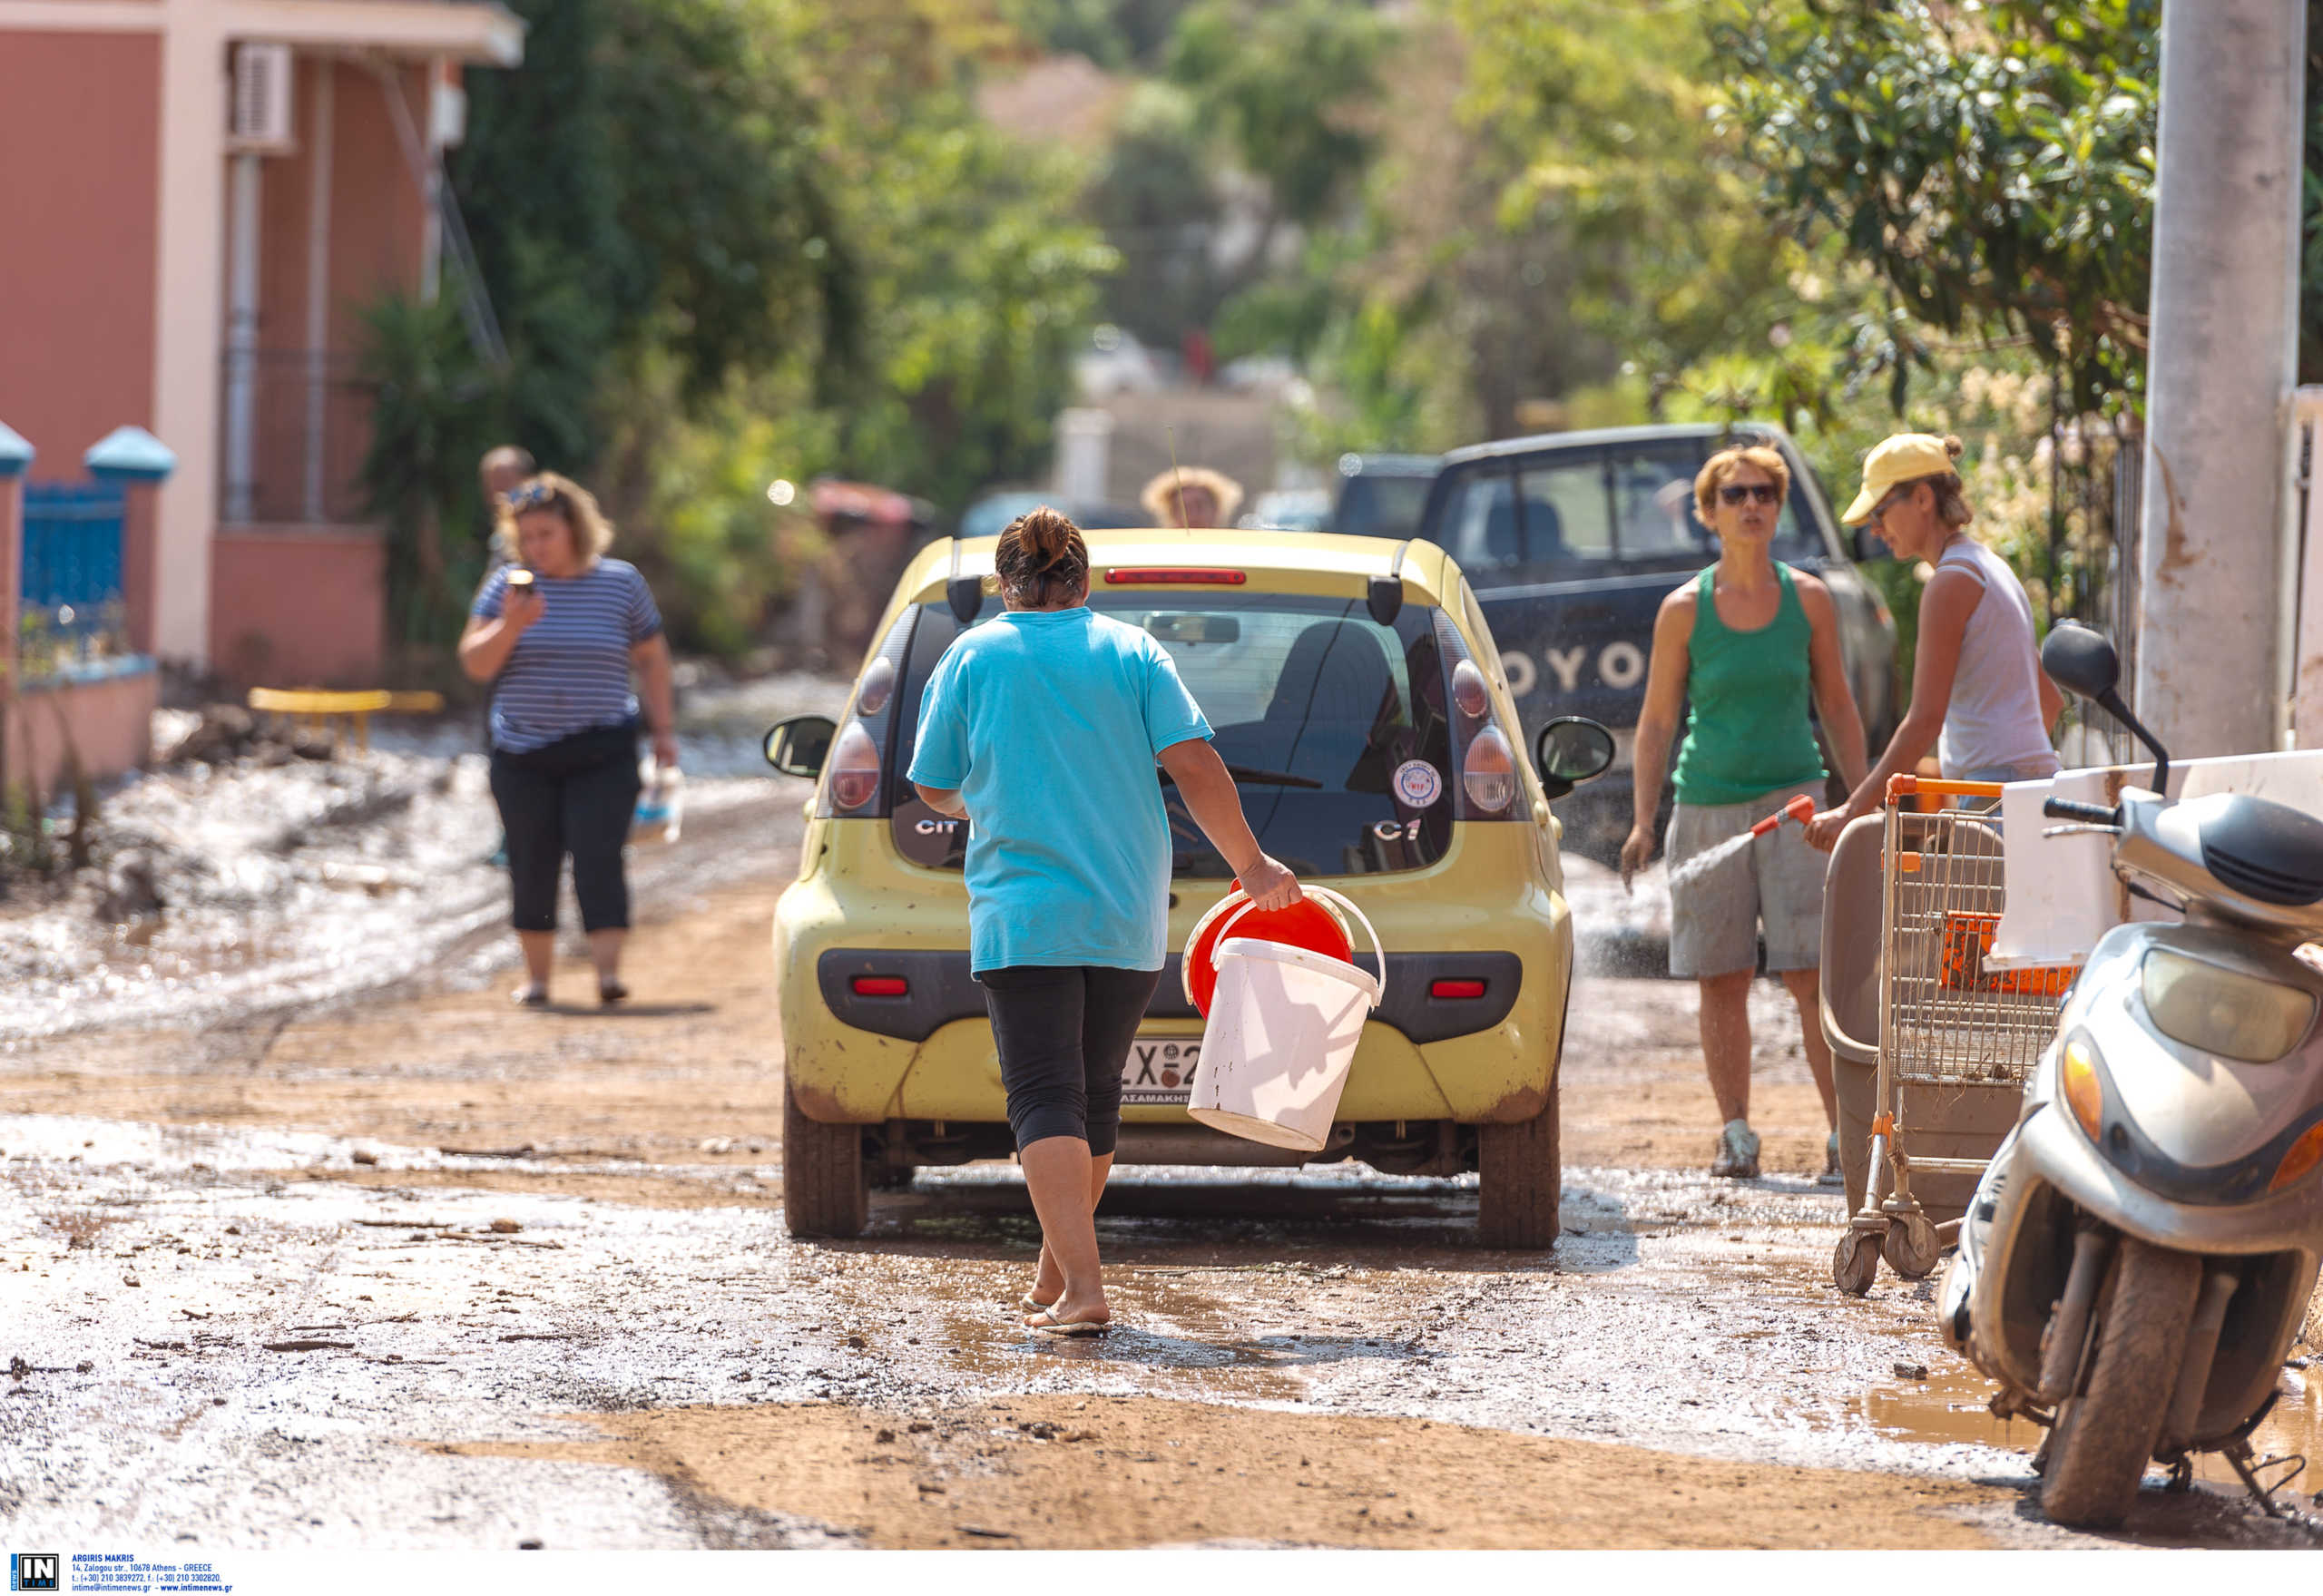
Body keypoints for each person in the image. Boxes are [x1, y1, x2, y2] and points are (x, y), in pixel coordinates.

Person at [908, 506, 1299, 1336]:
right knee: (1093, 1097)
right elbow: (1195, 765)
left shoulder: (972, 655)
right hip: (1127, 908)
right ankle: (1058, 1272)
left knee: (1043, 1094)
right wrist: (1252, 868)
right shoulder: (1133, 651)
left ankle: (1084, 1287)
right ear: (1086, 580)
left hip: (1026, 911)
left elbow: (933, 785)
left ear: (1002, 585)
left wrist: (984, 793)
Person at [1622, 445, 1868, 1181]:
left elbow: (1838, 704)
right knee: (1721, 976)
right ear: (1709, 513)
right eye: (1736, 495)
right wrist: (1642, 820)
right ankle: (1737, 1135)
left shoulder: (1811, 598)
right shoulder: (1684, 610)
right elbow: (1658, 721)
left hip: (1798, 803)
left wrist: (1863, 804)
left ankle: (1842, 1140)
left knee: (1811, 973)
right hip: (1708, 804)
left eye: (1765, 492)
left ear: (1778, 505)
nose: (1753, 505)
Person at [457, 473, 679, 1007]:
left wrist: (665, 732)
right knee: (531, 861)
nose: (534, 546)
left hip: (603, 747)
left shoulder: (621, 583)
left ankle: (607, 975)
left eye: (545, 535)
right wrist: (510, 626)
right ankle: (537, 981)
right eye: (525, 536)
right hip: (522, 752)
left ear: (575, 530)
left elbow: (651, 657)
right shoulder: (507, 588)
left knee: (598, 855)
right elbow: (474, 664)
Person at [1807, 434, 2063, 847]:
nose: (1875, 530)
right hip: (2032, 788)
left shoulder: (1950, 582)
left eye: (1882, 512)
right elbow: (2049, 700)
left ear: (1923, 498)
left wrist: (1849, 812)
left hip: (1993, 796)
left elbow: (1924, 719)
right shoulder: (1989, 566)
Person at [1140, 466, 1242, 529]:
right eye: (1184, 508)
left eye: (1199, 506)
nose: (1192, 516)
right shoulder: (1155, 556)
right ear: (1170, 513)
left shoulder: (1235, 552)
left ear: (1216, 509)